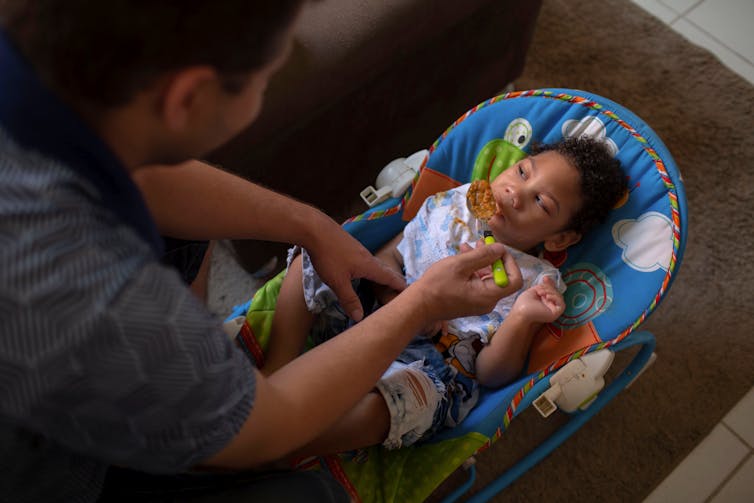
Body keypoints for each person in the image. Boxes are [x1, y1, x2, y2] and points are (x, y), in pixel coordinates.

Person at [0, 1, 520, 502]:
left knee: (194, 225)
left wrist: (310, 224)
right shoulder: (95, 297)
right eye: (266, 76)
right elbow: (266, 427)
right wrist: (421, 304)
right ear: (187, 97)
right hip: (46, 476)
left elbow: (152, 178)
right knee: (308, 492)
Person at [264, 137, 627, 454]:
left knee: (405, 402)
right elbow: (386, 258)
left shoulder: (535, 283)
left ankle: (291, 442)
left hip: (429, 367)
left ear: (559, 239)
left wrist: (521, 318)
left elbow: (491, 375)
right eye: (521, 172)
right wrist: (398, 301)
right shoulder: (452, 204)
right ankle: (276, 366)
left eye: (541, 203)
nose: (515, 193)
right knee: (317, 254)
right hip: (366, 311)